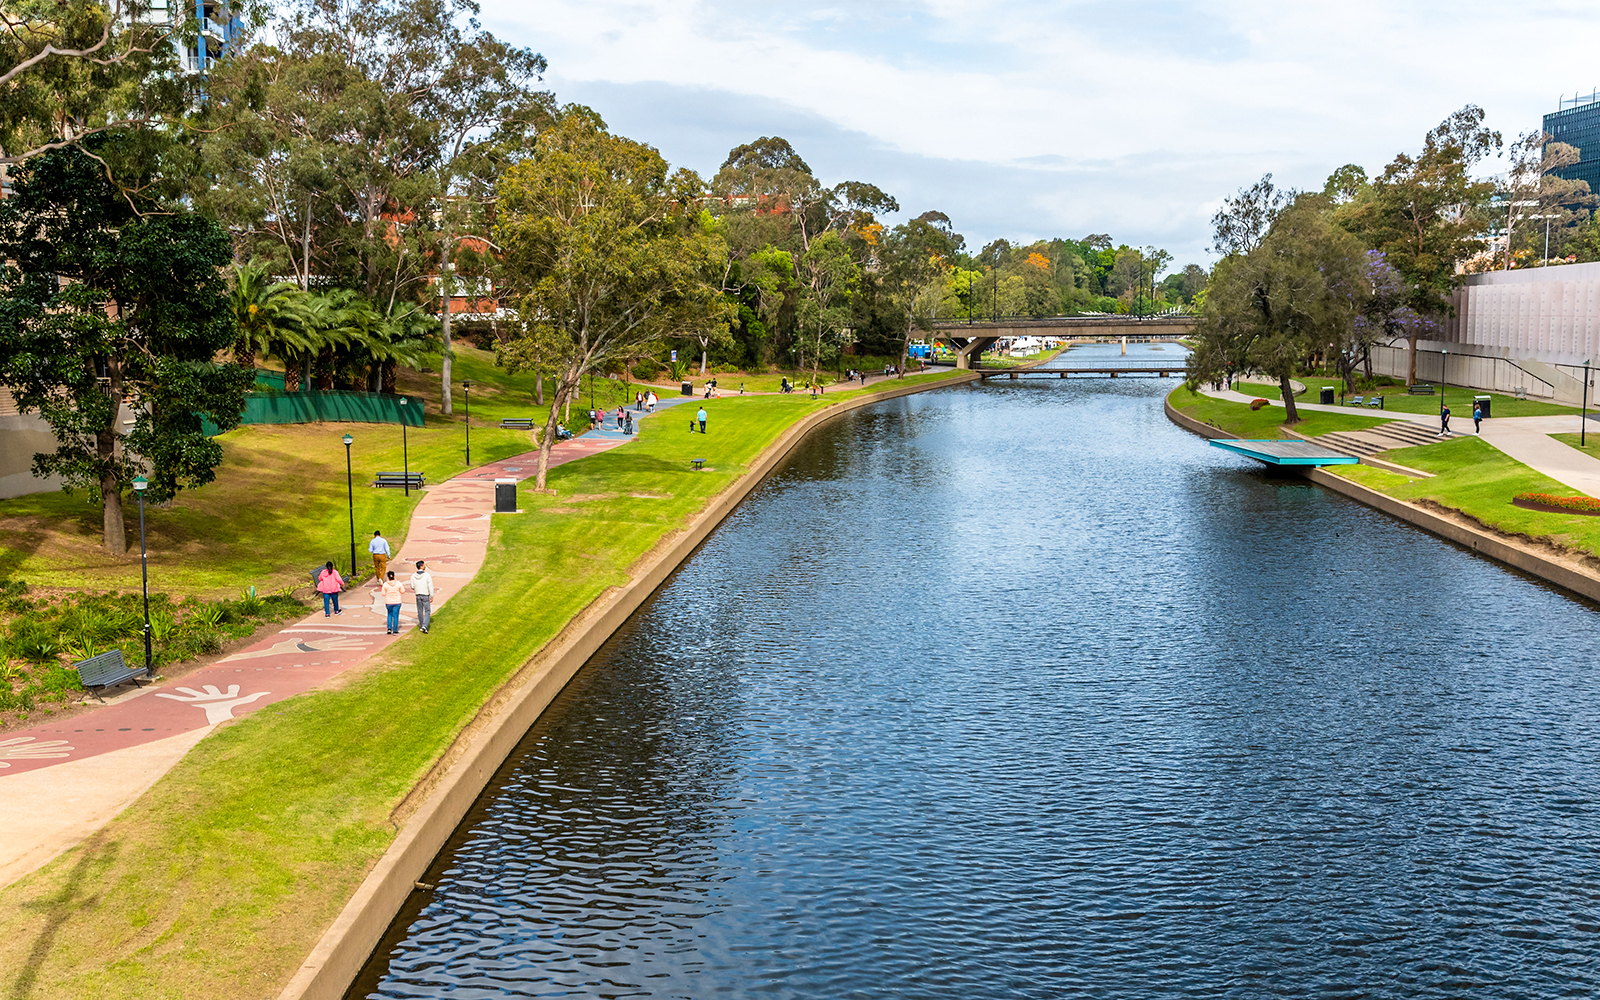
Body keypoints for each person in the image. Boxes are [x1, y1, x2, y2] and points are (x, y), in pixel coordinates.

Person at [409, 560, 434, 634]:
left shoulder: (413, 576)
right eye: (424, 565)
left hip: (418, 594)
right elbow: (430, 586)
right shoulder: (427, 575)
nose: (425, 566)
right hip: (425, 594)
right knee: (427, 611)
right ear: (422, 566)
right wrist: (431, 595)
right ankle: (425, 625)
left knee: (420, 610)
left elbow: (412, 586)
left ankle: (421, 625)